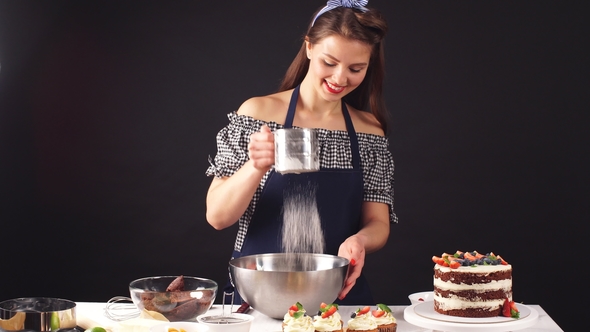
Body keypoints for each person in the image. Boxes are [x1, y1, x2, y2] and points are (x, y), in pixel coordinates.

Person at [205, 0, 397, 305]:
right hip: (261, 296)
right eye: (329, 62)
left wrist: (360, 241)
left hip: (340, 297)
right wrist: (256, 167)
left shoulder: (368, 131)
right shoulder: (257, 113)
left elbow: (378, 223)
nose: (339, 78)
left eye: (356, 68)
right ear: (308, 47)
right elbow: (217, 216)